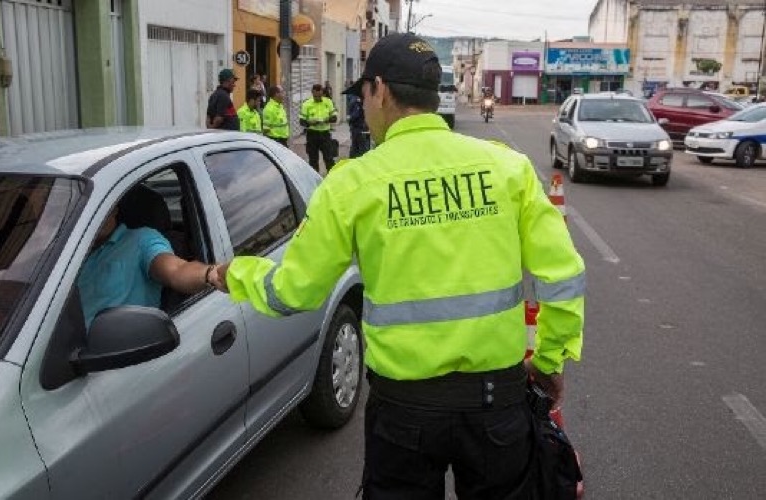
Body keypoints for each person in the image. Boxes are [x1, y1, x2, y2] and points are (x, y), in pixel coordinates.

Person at [214, 33, 585, 498]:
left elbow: (295, 291)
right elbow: (563, 275)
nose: (364, 106)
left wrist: (226, 274)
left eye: (364, 94)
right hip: (497, 404)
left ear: (381, 90)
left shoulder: (353, 183)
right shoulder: (506, 167)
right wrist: (549, 361)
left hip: (404, 412)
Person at [77, 189, 225, 328]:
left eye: (99, 209)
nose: (92, 217)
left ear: (115, 208)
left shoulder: (142, 240)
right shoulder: (69, 251)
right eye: (83, 211)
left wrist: (211, 274)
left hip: (115, 348)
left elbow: (176, 270)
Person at [300, 83, 338, 172]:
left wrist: (326, 120)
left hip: (325, 135)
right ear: (312, 93)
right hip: (312, 135)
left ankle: (331, 179)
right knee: (313, 160)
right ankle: (315, 181)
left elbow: (334, 118)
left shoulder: (328, 102)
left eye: (319, 96)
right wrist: (309, 122)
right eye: (315, 96)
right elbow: (301, 121)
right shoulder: (306, 104)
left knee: (329, 159)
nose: (317, 98)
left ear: (322, 93)